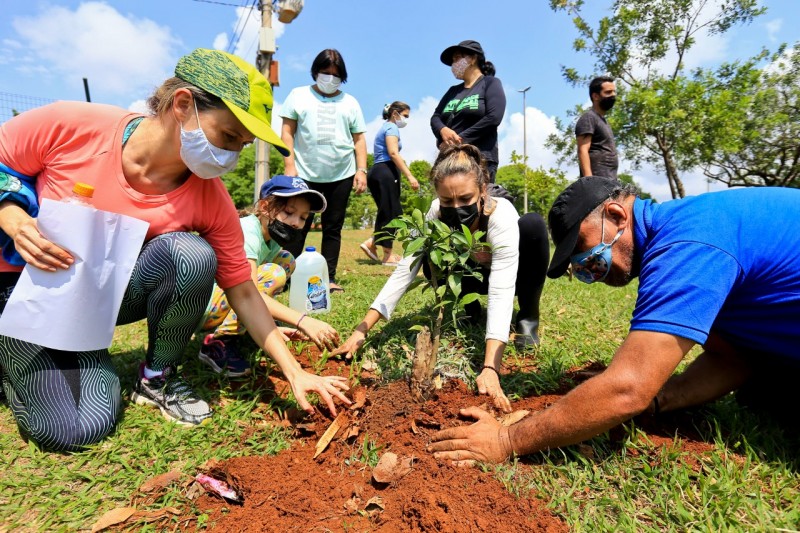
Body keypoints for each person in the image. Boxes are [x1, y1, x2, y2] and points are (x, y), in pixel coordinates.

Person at [0, 48, 350, 452]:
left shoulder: (209, 197)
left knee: (85, 424)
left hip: (92, 305)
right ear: (183, 105)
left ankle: (155, 377)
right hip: (23, 293)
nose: (232, 155)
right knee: (65, 425)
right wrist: (11, 213)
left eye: (242, 144)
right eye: (229, 136)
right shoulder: (72, 124)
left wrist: (293, 372)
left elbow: (242, 288)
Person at [429, 177, 800, 465]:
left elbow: (626, 390)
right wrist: (657, 399)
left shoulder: (688, 245)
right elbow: (733, 359)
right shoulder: (684, 231)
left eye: (585, 251)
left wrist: (507, 440)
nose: (590, 268)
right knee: (760, 394)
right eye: (580, 265)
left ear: (617, 216)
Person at [335, 145, 550, 411]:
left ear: (483, 190)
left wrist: (489, 368)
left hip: (514, 278)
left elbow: (502, 286)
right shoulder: (434, 213)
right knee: (426, 253)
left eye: (465, 199)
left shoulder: (500, 214)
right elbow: (406, 269)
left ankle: (528, 316)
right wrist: (362, 329)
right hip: (467, 278)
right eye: (447, 201)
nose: (456, 208)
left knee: (533, 224)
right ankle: (468, 309)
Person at [197, 175, 341, 377]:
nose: (296, 223)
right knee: (273, 274)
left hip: (225, 297)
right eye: (289, 212)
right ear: (264, 207)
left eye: (303, 217)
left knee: (287, 260)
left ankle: (249, 325)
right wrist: (304, 321)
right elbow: (249, 292)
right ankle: (220, 341)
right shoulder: (247, 232)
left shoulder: (271, 238)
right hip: (201, 307)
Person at [280, 48, 368, 292]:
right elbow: (287, 131)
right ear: (315, 72)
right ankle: (287, 275)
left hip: (341, 173)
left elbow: (359, 139)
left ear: (343, 76)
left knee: (333, 227)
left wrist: (362, 170)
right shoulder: (298, 95)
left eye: (335, 74)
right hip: (305, 173)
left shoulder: (350, 102)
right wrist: (290, 164)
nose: (330, 78)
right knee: (296, 225)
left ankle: (329, 278)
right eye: (325, 73)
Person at [431, 40, 506, 183]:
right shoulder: (453, 91)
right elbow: (435, 117)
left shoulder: (490, 83)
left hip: (479, 158)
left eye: (457, 58)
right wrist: (442, 129)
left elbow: (493, 117)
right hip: (449, 159)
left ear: (472, 58)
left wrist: (458, 141)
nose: (454, 64)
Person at [360, 101, 420, 267]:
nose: (406, 120)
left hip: (379, 172)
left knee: (390, 211)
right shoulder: (392, 127)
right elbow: (393, 153)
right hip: (386, 171)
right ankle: (387, 255)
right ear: (395, 113)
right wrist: (410, 176)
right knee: (392, 213)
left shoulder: (385, 127)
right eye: (405, 115)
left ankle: (372, 243)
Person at [575, 76, 618, 179]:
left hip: (610, 181)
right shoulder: (589, 118)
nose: (613, 95)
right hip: (597, 183)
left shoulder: (603, 121)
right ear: (595, 96)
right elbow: (583, 150)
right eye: (608, 92)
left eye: (614, 92)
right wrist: (589, 182)